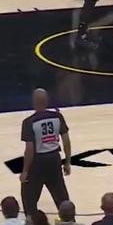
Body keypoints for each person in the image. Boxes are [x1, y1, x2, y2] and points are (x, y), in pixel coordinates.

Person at [20, 88, 71, 216]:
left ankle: (31, 221)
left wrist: (25, 171)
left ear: (34, 102)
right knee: (61, 195)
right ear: (47, 101)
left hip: (38, 162)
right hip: (54, 159)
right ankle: (69, 219)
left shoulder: (29, 122)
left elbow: (29, 149)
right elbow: (66, 141)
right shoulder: (58, 117)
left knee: (29, 196)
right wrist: (67, 162)